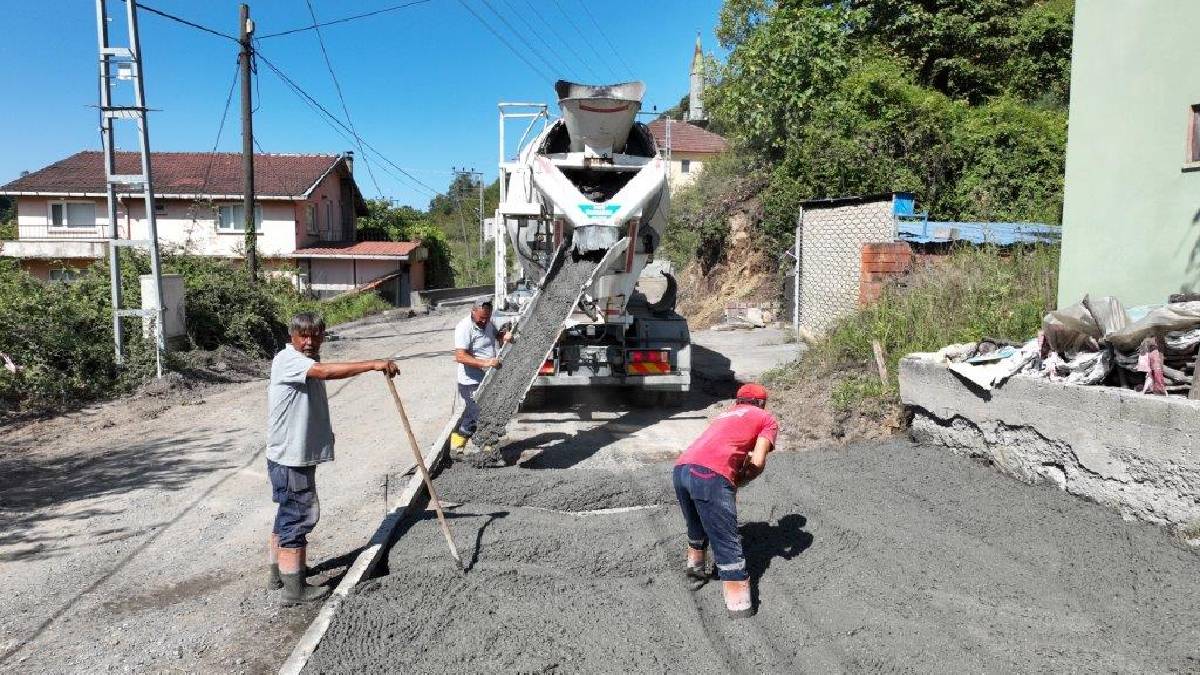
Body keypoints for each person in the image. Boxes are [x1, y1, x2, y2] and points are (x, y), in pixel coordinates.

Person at [265, 312, 399, 606]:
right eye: (303, 335)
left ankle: (281, 573)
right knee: (299, 515)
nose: (309, 341)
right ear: (292, 336)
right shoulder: (289, 360)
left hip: (291, 455)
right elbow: (326, 373)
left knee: (287, 513)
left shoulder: (305, 363)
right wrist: (373, 364)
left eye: (315, 335)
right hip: (290, 458)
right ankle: (294, 590)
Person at [672, 383, 779, 618]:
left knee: (696, 526)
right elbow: (758, 461)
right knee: (727, 541)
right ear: (762, 403)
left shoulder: (725, 415)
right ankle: (739, 607)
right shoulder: (765, 418)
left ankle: (695, 574)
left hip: (681, 469)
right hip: (710, 475)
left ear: (738, 401)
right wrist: (741, 479)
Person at [450, 300, 510, 451]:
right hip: (470, 381)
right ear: (473, 311)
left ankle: (457, 444)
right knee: (483, 414)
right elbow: (460, 356)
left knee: (473, 413)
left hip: (487, 379)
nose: (484, 321)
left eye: (487, 317)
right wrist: (486, 362)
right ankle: (488, 449)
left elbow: (498, 336)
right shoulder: (464, 327)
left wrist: (505, 337)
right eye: (481, 318)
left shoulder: (489, 322)